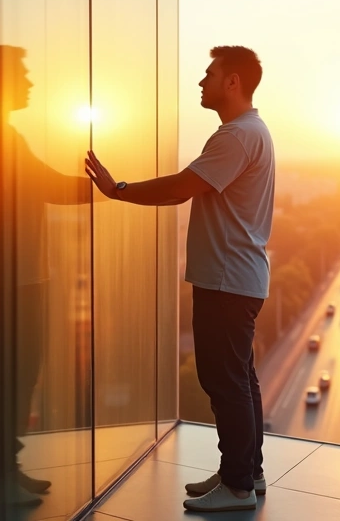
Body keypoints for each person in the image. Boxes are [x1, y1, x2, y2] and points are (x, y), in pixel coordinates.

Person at [85, 45, 273, 513]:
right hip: (236, 278)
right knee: (240, 379)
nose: (201, 82)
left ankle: (237, 487)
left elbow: (178, 187)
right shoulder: (250, 132)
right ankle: (246, 472)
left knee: (224, 380)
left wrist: (117, 190)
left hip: (227, 280)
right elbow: (186, 192)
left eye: (209, 74)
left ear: (233, 82)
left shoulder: (236, 136)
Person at [0, 45, 92, 506]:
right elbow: (47, 184)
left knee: (13, 375)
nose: (30, 82)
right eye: (23, 74)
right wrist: (113, 189)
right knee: (2, 378)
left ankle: (1, 469)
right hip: (1, 281)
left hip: (12, 277)